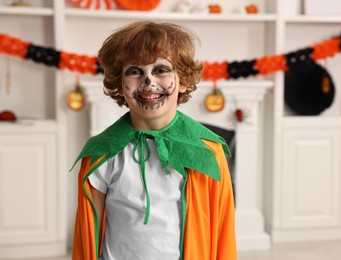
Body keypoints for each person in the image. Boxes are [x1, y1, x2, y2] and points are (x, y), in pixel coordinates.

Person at [71, 20, 236, 260]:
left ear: (183, 81)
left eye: (161, 70)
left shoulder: (207, 151)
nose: (149, 82)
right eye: (135, 71)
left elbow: (223, 235)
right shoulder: (101, 154)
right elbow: (88, 235)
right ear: (120, 83)